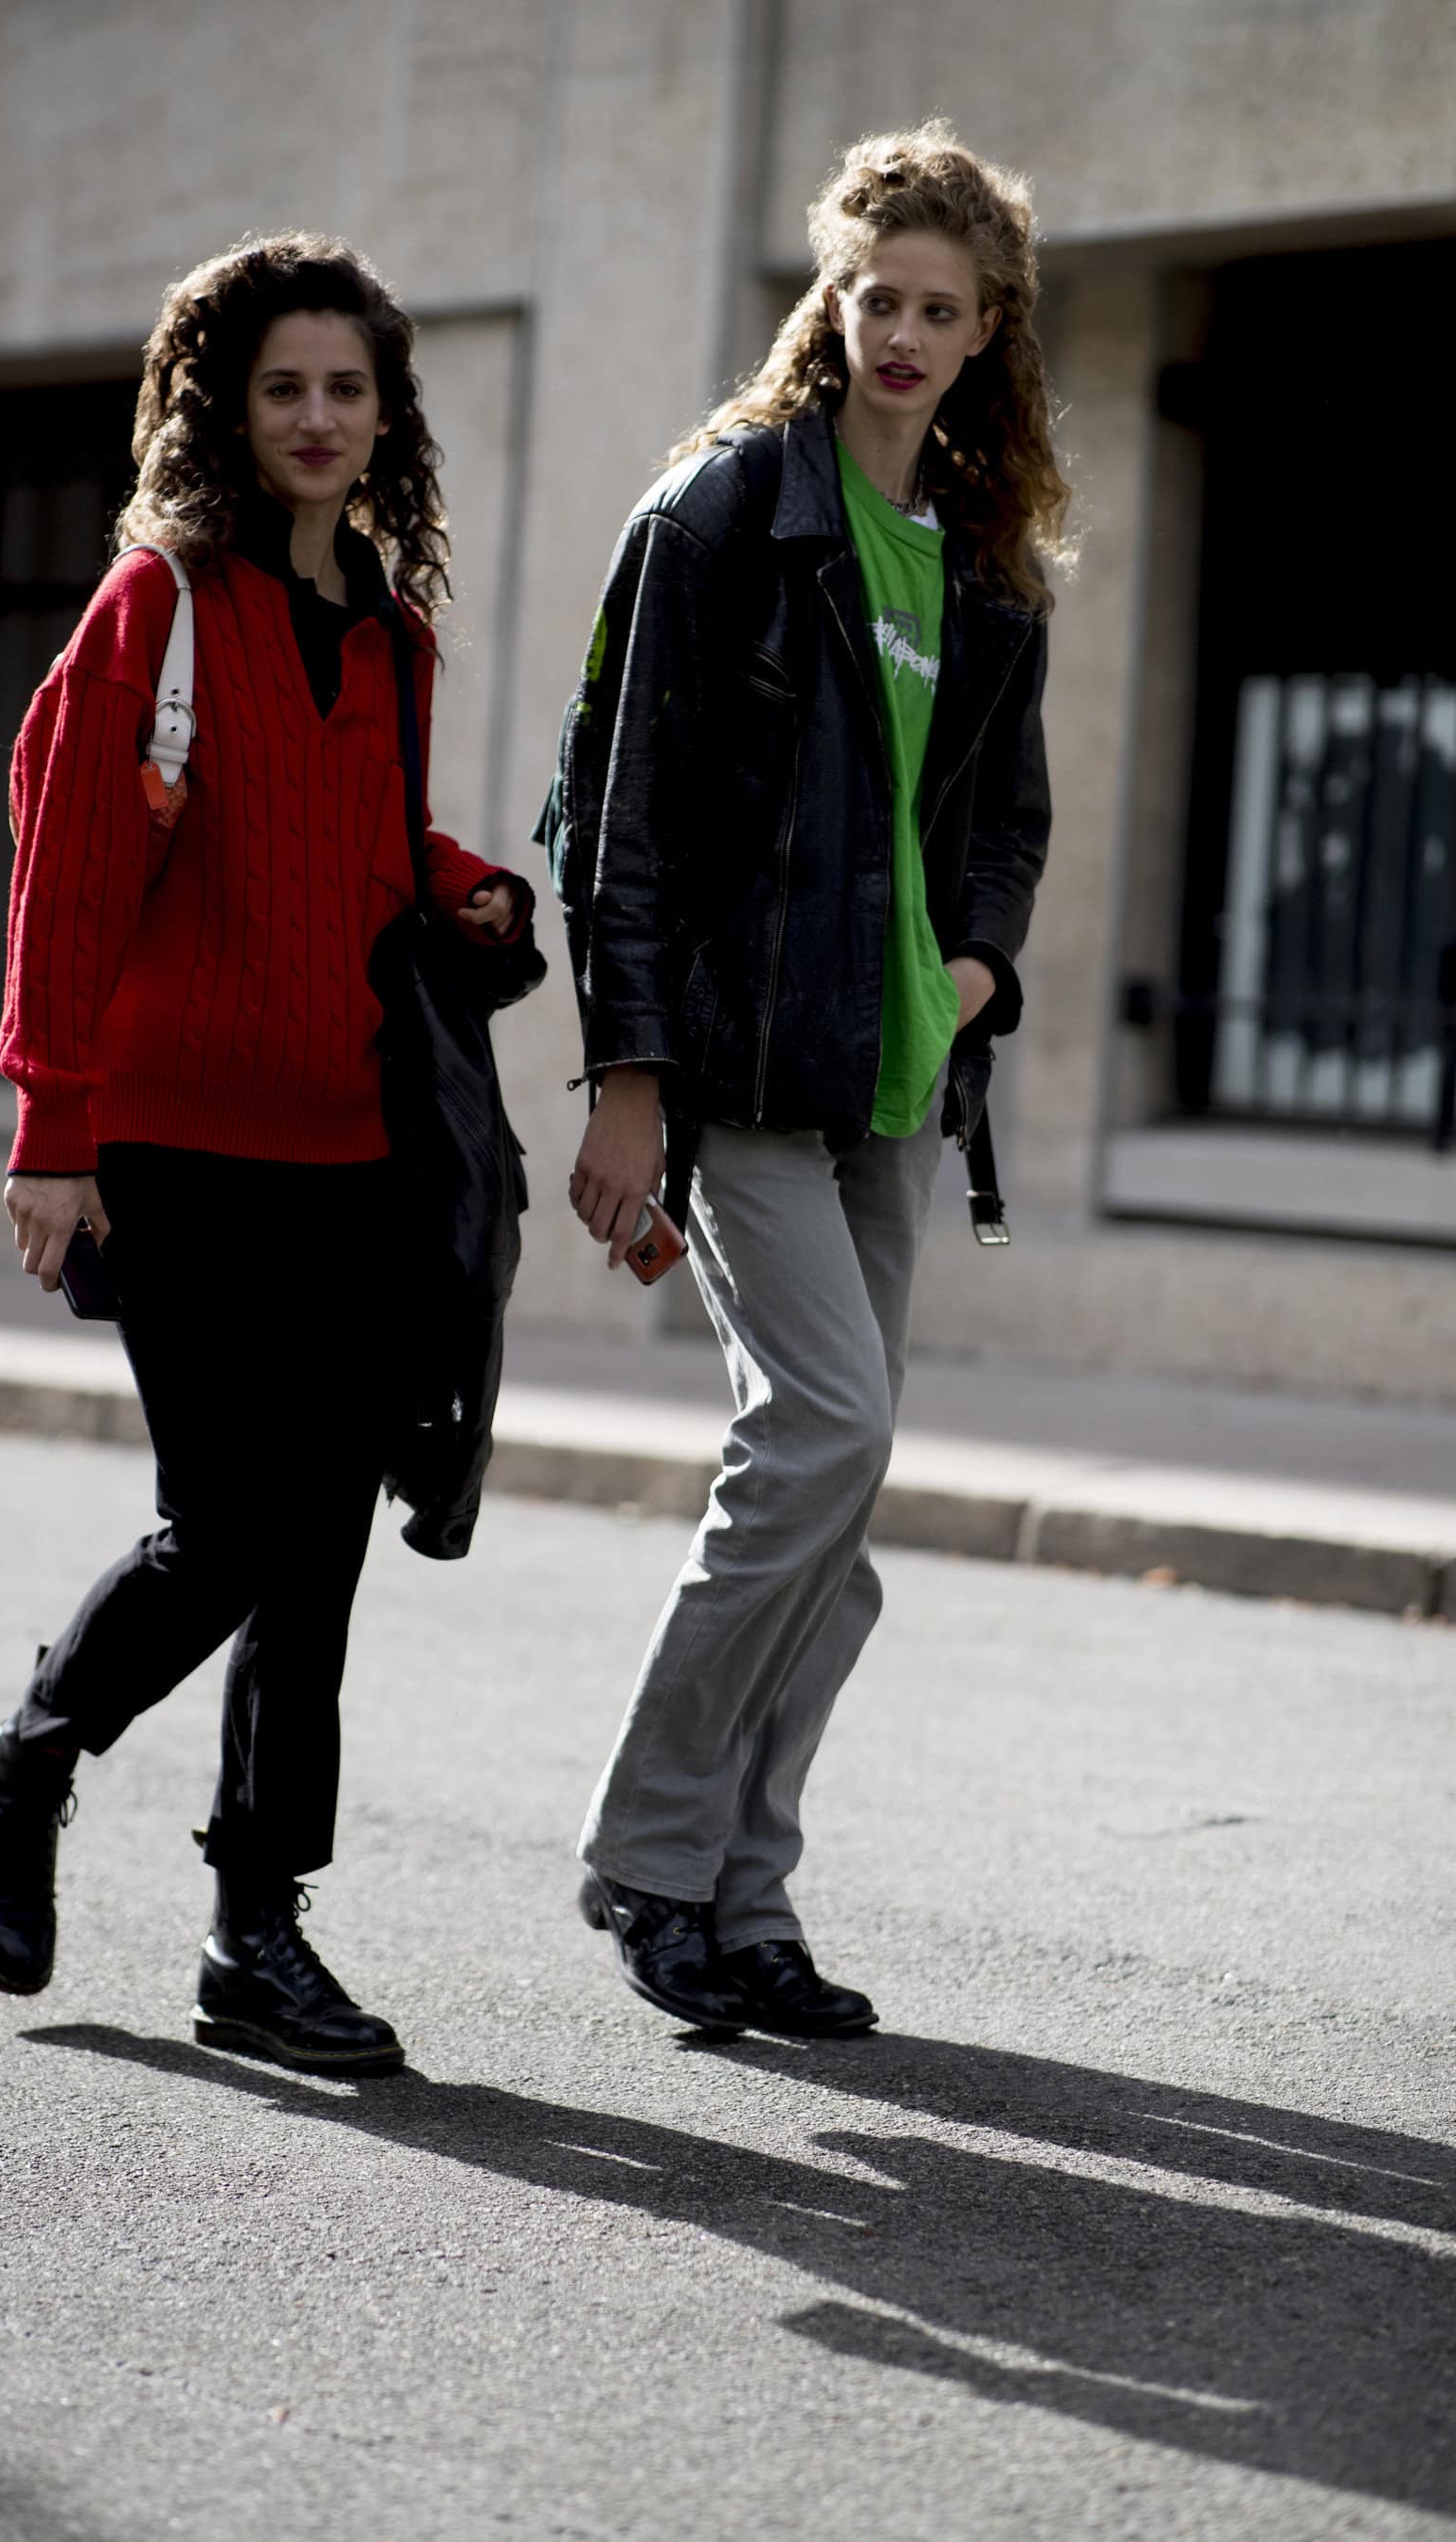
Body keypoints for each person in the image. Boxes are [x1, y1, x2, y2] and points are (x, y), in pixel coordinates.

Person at [0, 233, 532, 2075]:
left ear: (384, 414)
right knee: (235, 1525)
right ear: (227, 404)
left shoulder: (388, 623)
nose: (318, 417)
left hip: (355, 1150)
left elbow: (363, 841)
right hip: (176, 1147)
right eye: (283, 386)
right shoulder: (158, 606)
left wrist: (464, 886)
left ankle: (255, 1929)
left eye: (347, 388)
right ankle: (22, 1763)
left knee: (326, 1549)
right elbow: (64, 868)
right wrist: (52, 1127)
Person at [547, 123, 1070, 2036]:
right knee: (821, 1440)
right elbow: (620, 814)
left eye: (943, 308)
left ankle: (746, 1905)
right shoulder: (720, 516)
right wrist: (629, 1078)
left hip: (897, 1074)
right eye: (879, 297)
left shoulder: (991, 566)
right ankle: (651, 1856)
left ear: (992, 327)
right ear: (830, 298)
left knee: (834, 1510)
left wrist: (978, 959)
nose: (904, 335)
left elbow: (1003, 821)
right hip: (747, 1064)